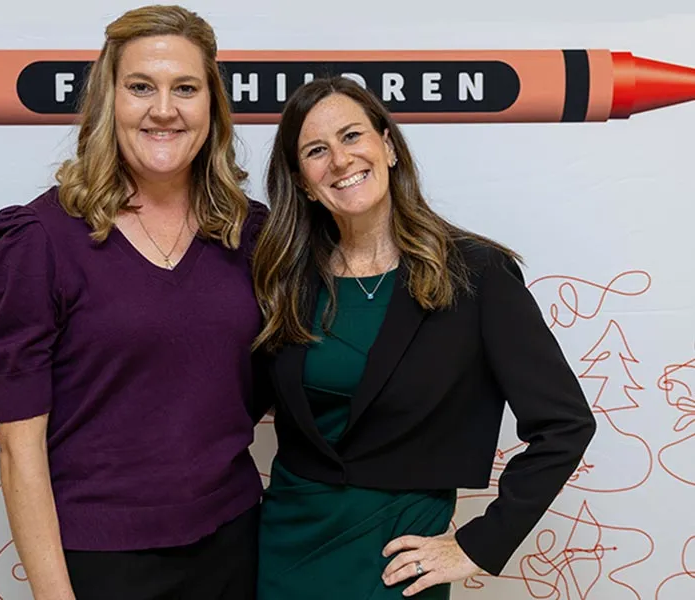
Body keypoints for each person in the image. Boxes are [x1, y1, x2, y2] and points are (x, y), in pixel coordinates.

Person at [250, 76, 597, 599]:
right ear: (301, 181)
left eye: (352, 136)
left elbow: (565, 425)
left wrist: (479, 545)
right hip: (287, 544)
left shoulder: (476, 274)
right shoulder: (283, 278)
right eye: (316, 150)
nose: (340, 160)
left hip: (398, 555)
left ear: (387, 146)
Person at [0, 5, 268, 599]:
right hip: (103, 559)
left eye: (185, 88)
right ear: (109, 101)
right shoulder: (41, 240)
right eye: (141, 87)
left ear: (211, 105)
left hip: (237, 542)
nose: (164, 109)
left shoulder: (251, 234)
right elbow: (18, 444)